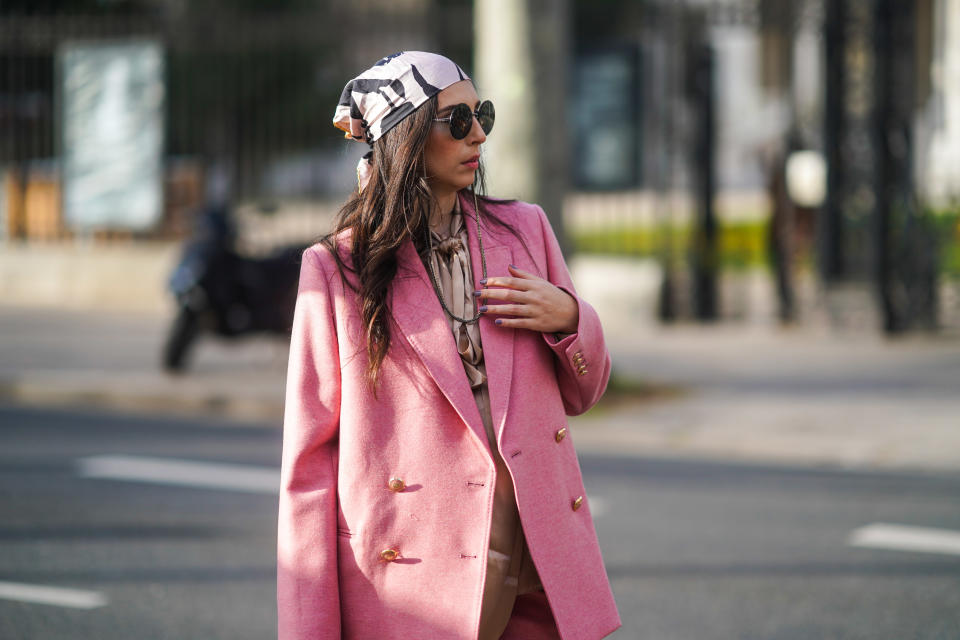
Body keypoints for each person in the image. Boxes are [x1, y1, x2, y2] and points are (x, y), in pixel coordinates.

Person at [277, 51, 621, 640]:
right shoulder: (338, 268)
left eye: (481, 114)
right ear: (407, 137)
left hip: (534, 549)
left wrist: (570, 319)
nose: (479, 134)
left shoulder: (525, 230)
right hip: (418, 568)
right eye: (457, 121)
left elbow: (584, 392)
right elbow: (308, 466)